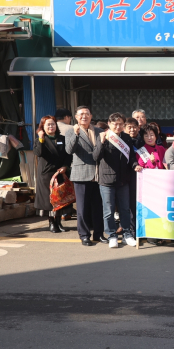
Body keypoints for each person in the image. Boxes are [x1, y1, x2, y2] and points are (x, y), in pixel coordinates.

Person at [93, 112, 140, 249]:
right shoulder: (103, 136)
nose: (118, 126)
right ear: (109, 124)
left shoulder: (126, 137)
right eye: (115, 124)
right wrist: (102, 142)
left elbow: (131, 156)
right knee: (108, 210)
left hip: (123, 179)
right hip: (106, 179)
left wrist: (135, 165)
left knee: (125, 209)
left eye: (120, 124)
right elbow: (96, 157)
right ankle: (112, 235)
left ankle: (127, 234)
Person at [65, 106, 105, 247]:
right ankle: (84, 235)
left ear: (91, 116)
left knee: (98, 207)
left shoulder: (99, 131)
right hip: (81, 174)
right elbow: (69, 150)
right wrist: (76, 135)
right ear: (76, 117)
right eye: (81, 114)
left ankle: (99, 234)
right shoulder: (71, 131)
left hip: (98, 174)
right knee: (82, 208)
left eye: (87, 114)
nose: (84, 116)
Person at [34, 115, 72, 233]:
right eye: (48, 124)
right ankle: (51, 222)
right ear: (42, 127)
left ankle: (59, 222)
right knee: (49, 199)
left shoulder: (62, 138)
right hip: (46, 174)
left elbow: (68, 155)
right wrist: (41, 138)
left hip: (60, 172)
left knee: (60, 198)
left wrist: (65, 166)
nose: (51, 126)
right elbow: (39, 153)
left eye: (53, 124)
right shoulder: (40, 139)